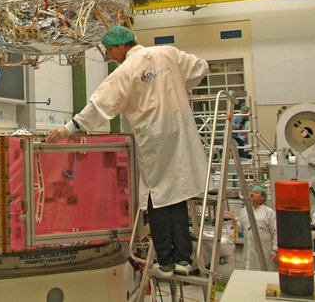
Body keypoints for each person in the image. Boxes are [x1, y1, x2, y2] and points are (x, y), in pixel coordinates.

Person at [47, 26, 209, 277]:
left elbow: (99, 106)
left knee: (157, 199)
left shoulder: (126, 71)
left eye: (110, 49)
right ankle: (184, 260)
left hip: (155, 139)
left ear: (123, 45)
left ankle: (165, 262)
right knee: (178, 195)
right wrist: (176, 87)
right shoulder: (169, 54)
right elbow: (200, 67)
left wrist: (68, 130)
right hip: (181, 132)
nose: (109, 55)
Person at [233, 186, 277, 271]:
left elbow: (276, 232)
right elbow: (241, 228)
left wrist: (275, 250)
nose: (252, 194)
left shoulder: (269, 212)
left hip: (265, 250)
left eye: (256, 192)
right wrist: (236, 223)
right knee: (248, 270)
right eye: (252, 192)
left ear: (262, 198)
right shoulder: (244, 211)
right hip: (248, 249)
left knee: (263, 271)